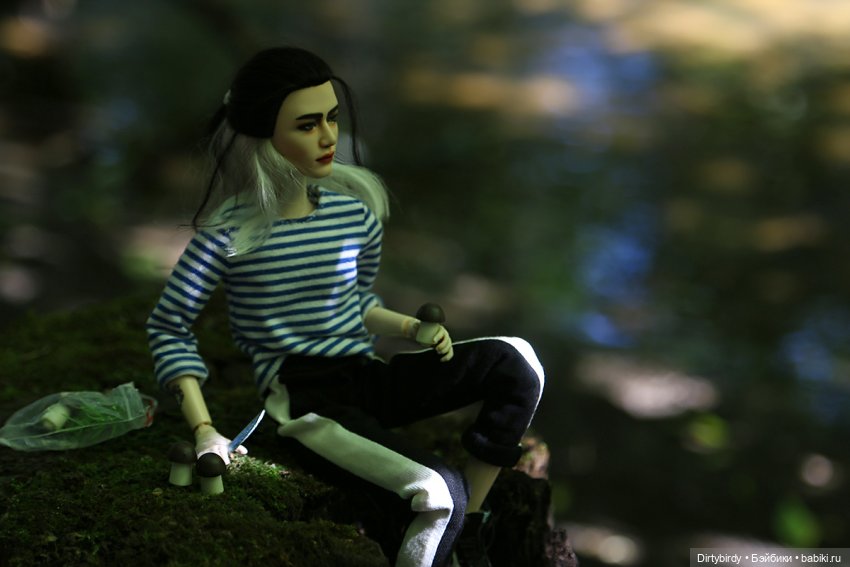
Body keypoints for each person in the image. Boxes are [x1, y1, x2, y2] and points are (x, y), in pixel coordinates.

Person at [145, 46, 545, 567]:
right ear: (265, 133)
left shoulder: (353, 215)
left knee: (517, 362)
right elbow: (169, 326)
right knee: (438, 492)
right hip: (304, 400)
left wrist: (409, 328)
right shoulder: (228, 235)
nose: (329, 136)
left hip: (365, 375)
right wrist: (204, 430)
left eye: (332, 118)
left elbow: (353, 301)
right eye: (307, 124)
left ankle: (471, 527)